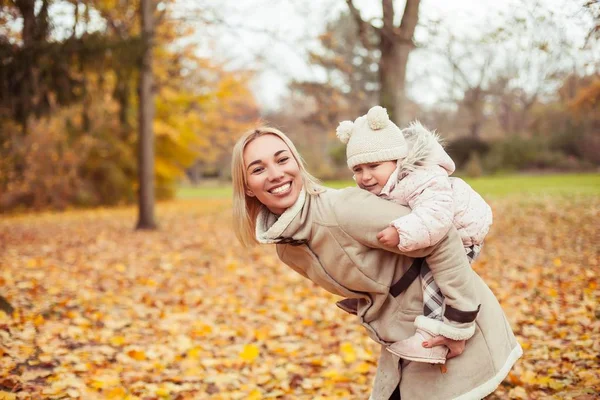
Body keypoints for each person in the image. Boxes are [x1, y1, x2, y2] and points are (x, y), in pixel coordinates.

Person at [231, 126, 522, 400]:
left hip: (452, 321)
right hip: (405, 337)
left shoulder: (343, 209)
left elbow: (442, 235)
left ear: (297, 164)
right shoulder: (287, 248)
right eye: (258, 169)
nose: (276, 174)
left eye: (283, 160)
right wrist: (368, 296)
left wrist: (458, 324)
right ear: (247, 187)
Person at [335, 106, 493, 365]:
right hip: (430, 227)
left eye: (373, 166)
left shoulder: (423, 176)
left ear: (396, 160)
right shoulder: (385, 182)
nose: (364, 177)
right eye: (358, 169)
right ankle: (373, 298)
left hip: (463, 230)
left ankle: (435, 336)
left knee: (432, 278)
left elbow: (436, 215)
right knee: (393, 262)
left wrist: (401, 231)